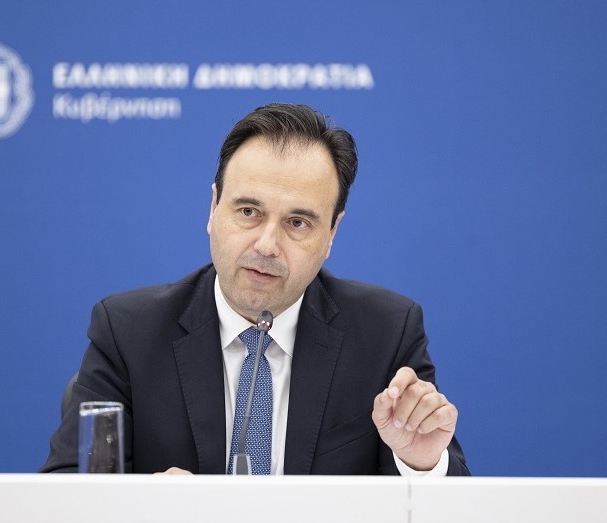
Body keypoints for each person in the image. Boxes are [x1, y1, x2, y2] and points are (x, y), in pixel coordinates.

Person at [41, 103, 468, 475]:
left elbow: (450, 504)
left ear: (332, 233)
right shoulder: (128, 333)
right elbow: (65, 493)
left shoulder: (386, 335)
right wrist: (147, 508)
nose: (266, 245)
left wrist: (419, 465)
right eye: (248, 211)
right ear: (213, 209)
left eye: (297, 223)